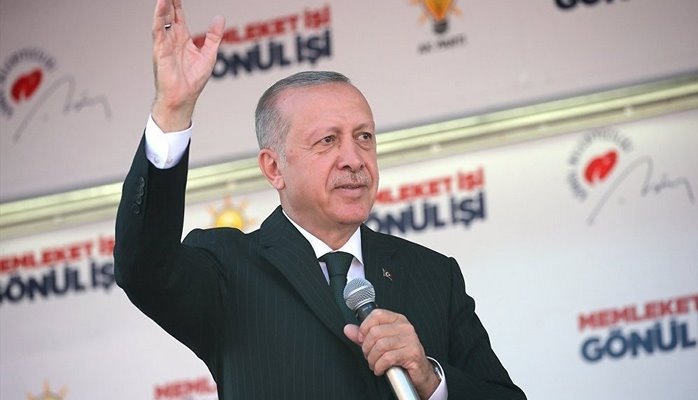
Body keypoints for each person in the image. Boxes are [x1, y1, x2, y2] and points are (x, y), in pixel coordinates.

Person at [114, 0, 527, 399]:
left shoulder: (433, 275)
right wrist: (172, 110)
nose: (354, 159)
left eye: (363, 137)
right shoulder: (228, 268)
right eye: (328, 140)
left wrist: (430, 379)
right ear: (274, 168)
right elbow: (142, 269)